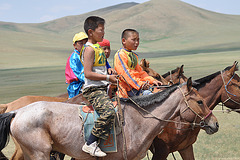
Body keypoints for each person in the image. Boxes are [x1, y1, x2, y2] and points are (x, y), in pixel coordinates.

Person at [81, 16, 117, 157]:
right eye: (101, 30)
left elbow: (100, 70)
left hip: (103, 86)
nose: (103, 33)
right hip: (93, 89)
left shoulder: (98, 48)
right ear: (91, 32)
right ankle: (91, 142)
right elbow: (88, 73)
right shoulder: (89, 49)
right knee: (109, 112)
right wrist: (108, 78)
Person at [114, 28, 162, 98]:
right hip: (129, 89)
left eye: (138, 40)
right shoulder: (120, 55)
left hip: (138, 86)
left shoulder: (133, 55)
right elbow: (125, 74)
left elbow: (140, 72)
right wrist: (140, 84)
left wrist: (152, 80)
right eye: (133, 40)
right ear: (124, 41)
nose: (136, 42)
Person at [65, 32, 88, 98]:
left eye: (85, 43)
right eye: (81, 43)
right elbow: (79, 74)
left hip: (85, 81)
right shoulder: (74, 57)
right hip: (77, 85)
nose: (84, 45)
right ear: (74, 45)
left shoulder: (85, 55)